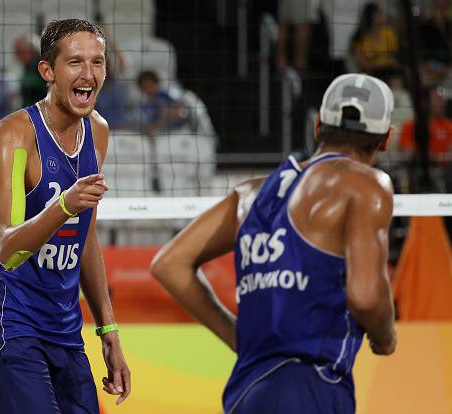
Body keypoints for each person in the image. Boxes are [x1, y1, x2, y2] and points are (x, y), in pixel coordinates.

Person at [151, 73, 397, 414]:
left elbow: (168, 264)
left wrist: (238, 337)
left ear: (317, 125)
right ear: (385, 139)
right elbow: (367, 297)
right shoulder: (366, 184)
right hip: (311, 382)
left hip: (246, 388)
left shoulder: (251, 192)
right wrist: (386, 338)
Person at [0, 19, 131, 413]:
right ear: (47, 71)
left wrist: (108, 329)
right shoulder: (12, 135)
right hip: (8, 324)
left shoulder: (98, 132)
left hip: (65, 328)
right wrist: (62, 207)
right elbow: (7, 249)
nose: (89, 74)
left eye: (98, 62)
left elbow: (85, 235)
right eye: (75, 62)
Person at [350, 3, 400, 81]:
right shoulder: (361, 38)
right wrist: (384, 63)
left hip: (391, 73)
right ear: (370, 16)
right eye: (378, 13)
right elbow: (364, 64)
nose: (382, 16)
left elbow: (396, 59)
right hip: (371, 75)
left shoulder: (388, 33)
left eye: (381, 13)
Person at [137, 70, 188, 135]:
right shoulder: (145, 106)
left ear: (155, 83)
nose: (148, 87)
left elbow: (182, 109)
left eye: (150, 83)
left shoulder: (167, 94)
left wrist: (168, 114)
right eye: (144, 85)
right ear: (141, 88)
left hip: (181, 132)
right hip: (162, 136)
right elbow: (148, 124)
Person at [13, 33, 46, 107]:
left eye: (19, 52)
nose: (16, 56)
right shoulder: (27, 67)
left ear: (30, 51)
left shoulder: (41, 65)